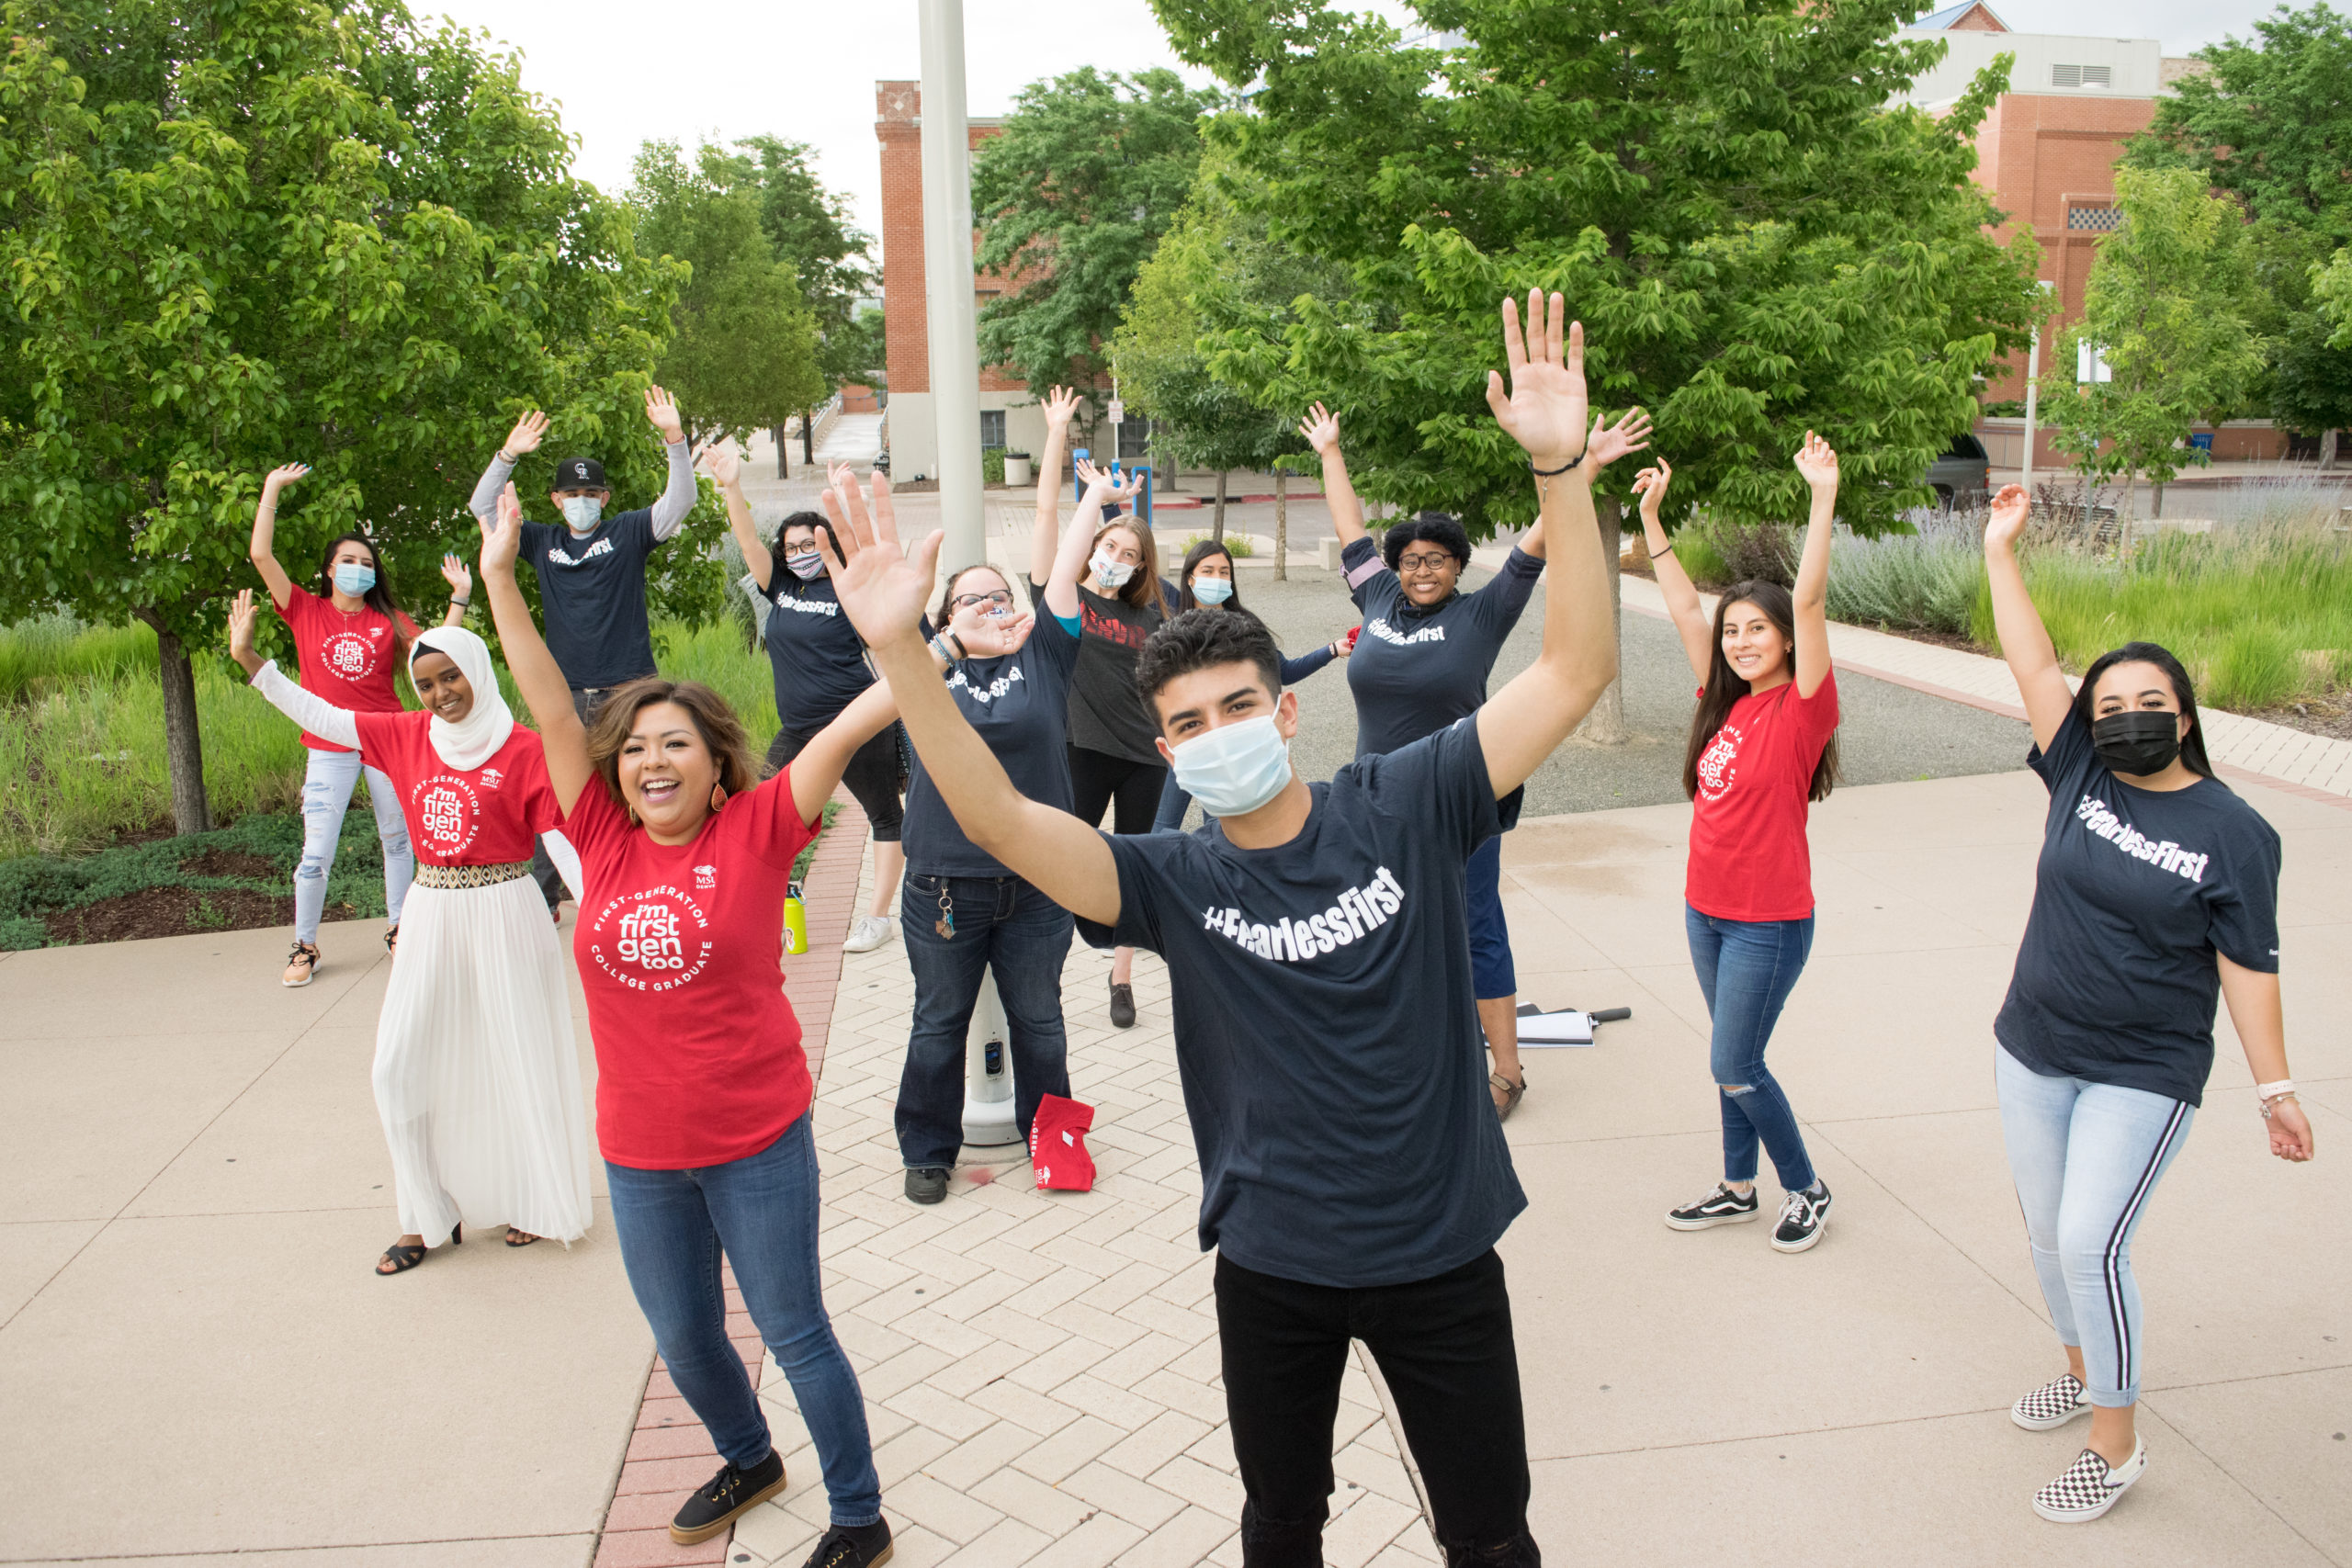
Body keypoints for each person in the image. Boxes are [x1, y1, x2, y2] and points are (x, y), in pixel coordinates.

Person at [828, 292, 1623, 1567]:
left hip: (1442, 1255)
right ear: (1165, 748)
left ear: (1288, 712)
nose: (1218, 733)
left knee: (1490, 1536)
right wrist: (901, 657)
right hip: (1277, 1268)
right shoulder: (1170, 878)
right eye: (1189, 723)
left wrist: (1558, 468)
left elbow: (1575, 666)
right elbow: (996, 814)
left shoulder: (1408, 800)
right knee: (1282, 1527)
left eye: (1238, 705)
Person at [479, 481, 898, 1565]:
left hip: (756, 1139)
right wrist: (495, 579)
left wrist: (898, 631)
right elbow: (549, 703)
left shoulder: (764, 827)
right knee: (683, 1337)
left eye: (675, 746)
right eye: (636, 750)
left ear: (717, 763)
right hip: (640, 1148)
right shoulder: (602, 839)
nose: (650, 762)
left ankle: (861, 1519)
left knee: (795, 1334)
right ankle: (749, 1457)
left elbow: (864, 714)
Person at [1978, 481, 2312, 1524]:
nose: (2125, 721)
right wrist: (2000, 549)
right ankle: (2084, 1368)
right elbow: (2033, 663)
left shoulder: (2235, 831)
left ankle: (2113, 1446)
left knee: (2091, 1243)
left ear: (2183, 715)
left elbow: (2248, 967)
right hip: (2032, 1046)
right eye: (2109, 707)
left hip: (2141, 1072)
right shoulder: (2080, 772)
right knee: (2045, 1235)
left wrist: (2276, 1089)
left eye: (2146, 707)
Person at [227, 590, 593, 1270]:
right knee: (397, 1065)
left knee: (513, 1057)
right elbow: (325, 715)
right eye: (425, 684)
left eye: (450, 676)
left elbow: (565, 846)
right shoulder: (403, 735)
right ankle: (427, 1214)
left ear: (478, 672)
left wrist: (604, 913)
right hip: (430, 911)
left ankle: (532, 1200)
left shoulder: (524, 749)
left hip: (506, 907)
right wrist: (255, 664)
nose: (440, 693)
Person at [1308, 398, 1624, 1121]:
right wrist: (1331, 450)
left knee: (1475, 923)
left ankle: (1506, 1070)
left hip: (1458, 799)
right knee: (1378, 924)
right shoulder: (1378, 600)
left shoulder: (1482, 613)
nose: (1422, 571)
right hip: (1375, 799)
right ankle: (1399, 1054)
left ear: (1458, 566)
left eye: (1438, 560)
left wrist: (1582, 468)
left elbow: (1538, 544)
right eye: (1412, 559)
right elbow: (1350, 527)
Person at [1638, 441, 1844, 1255]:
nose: (1741, 639)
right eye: (1736, 630)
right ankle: (1736, 1186)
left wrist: (1822, 497)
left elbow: (1816, 599)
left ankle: (1808, 1187)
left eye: (1759, 628)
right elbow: (1688, 611)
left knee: (1737, 1062)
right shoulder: (1726, 706)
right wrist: (1652, 521)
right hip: (1708, 912)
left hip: (1768, 919)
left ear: (1788, 640)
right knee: (1731, 1058)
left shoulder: (1802, 712)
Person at [887, 463, 1086, 1205]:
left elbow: (1062, 568)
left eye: (1000, 596)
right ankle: (928, 1148)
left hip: (1038, 879)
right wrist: (940, 633)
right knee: (939, 1020)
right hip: (945, 882)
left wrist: (1090, 497)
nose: (992, 606)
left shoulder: (1045, 653)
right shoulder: (927, 666)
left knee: (1041, 1018)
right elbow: (892, 642)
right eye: (971, 599)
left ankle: (1056, 1141)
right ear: (943, 617)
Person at [467, 388, 696, 914]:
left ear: (605, 498)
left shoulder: (629, 531)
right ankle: (545, 898)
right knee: (557, 796)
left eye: (591, 493)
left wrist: (674, 439)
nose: (582, 500)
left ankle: (642, 884)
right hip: (564, 699)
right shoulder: (541, 540)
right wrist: (508, 456)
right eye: (572, 493)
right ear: (555, 500)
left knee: (638, 787)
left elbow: (680, 501)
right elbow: (482, 508)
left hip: (628, 688)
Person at [245, 464, 467, 985]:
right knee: (316, 853)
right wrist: (272, 489)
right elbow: (261, 555)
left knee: (398, 839)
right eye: (347, 561)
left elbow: (436, 653)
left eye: (366, 563)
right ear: (328, 569)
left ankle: (399, 929)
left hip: (384, 739)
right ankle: (304, 945)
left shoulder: (386, 619)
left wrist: (459, 595)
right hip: (327, 744)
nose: (358, 569)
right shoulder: (303, 609)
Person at [712, 448, 907, 953]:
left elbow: (866, 550)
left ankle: (878, 917)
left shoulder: (848, 587)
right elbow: (748, 541)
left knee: (885, 815)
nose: (799, 552)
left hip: (857, 723)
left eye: (809, 543)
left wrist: (846, 494)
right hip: (798, 729)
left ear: (826, 544)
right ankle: (764, 904)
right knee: (753, 808)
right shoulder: (778, 587)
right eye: (791, 545)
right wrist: (732, 486)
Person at [1034, 387, 1173, 1028]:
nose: (1117, 559)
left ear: (1144, 565)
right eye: (1110, 548)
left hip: (1145, 757)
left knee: (1134, 864)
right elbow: (1047, 517)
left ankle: (1122, 977)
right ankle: (1046, 969)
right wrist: (1061, 439)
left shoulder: (1152, 612)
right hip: (1082, 749)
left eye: (1130, 554)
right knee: (1065, 860)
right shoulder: (1070, 602)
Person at [1151, 537, 1354, 832]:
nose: (1217, 578)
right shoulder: (1172, 617)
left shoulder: (1243, 626)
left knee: (1223, 831)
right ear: (1190, 577)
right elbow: (1139, 558)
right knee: (1163, 828)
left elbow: (1284, 672)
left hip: (1229, 743)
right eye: (1208, 571)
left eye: (1224, 572)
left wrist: (1332, 649)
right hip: (1187, 741)